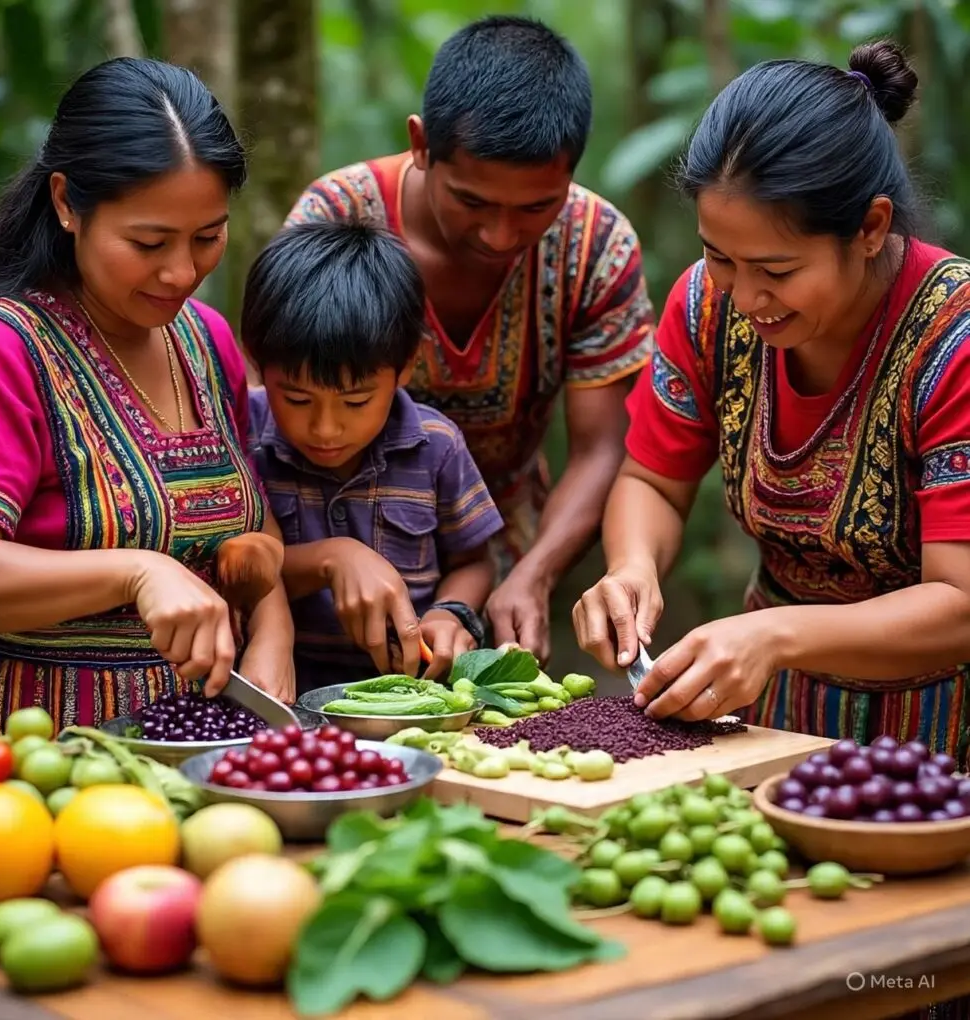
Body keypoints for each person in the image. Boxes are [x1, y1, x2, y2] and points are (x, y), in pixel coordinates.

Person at [574, 39, 970, 760]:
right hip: (773, 722)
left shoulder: (954, 341)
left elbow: (961, 603)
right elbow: (651, 482)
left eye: (776, 269)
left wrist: (774, 634)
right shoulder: (706, 306)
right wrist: (631, 567)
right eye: (718, 255)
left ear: (872, 227)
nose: (745, 296)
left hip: (944, 737)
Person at [283, 15, 655, 665]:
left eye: (535, 208)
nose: (501, 235)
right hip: (330, 555)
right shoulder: (336, 220)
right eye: (473, 202)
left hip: (508, 547)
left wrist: (533, 575)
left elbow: (603, 447)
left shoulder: (597, 245)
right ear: (421, 144)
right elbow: (279, 409)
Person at [0, 57, 295, 739]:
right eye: (148, 242)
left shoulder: (208, 340)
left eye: (208, 237)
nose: (182, 271)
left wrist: (274, 626)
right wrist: (136, 572)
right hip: (33, 744)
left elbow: (249, 533)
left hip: (203, 734)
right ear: (64, 204)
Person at [242, 220, 505, 691]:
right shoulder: (242, 439)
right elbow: (228, 567)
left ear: (405, 367)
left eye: (356, 401)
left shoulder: (437, 445)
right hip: (284, 690)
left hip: (411, 692)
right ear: (257, 365)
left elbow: (474, 561)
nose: (325, 428)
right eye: (297, 400)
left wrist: (449, 614)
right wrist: (329, 558)